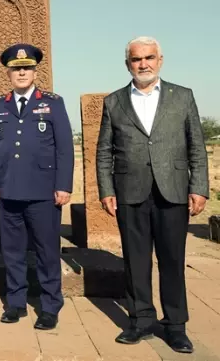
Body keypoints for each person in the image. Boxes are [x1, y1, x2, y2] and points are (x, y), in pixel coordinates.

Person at [96, 36, 208, 354]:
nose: (142, 64)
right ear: (127, 64)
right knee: (135, 261)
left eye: (149, 58)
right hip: (130, 192)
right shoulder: (115, 101)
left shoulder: (182, 97)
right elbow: (104, 152)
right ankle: (141, 320)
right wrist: (106, 190)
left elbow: (196, 145)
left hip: (172, 191)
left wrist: (199, 186)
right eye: (136, 59)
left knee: (172, 261)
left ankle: (175, 326)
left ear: (160, 60)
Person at [0, 43, 73, 329]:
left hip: (44, 192)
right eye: (16, 69)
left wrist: (63, 185)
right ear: (8, 73)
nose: (21, 73)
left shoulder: (53, 102)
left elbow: (65, 148)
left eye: (26, 68)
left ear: (35, 71)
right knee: (13, 252)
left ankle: (50, 305)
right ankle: (16, 303)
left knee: (47, 251)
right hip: (8, 190)